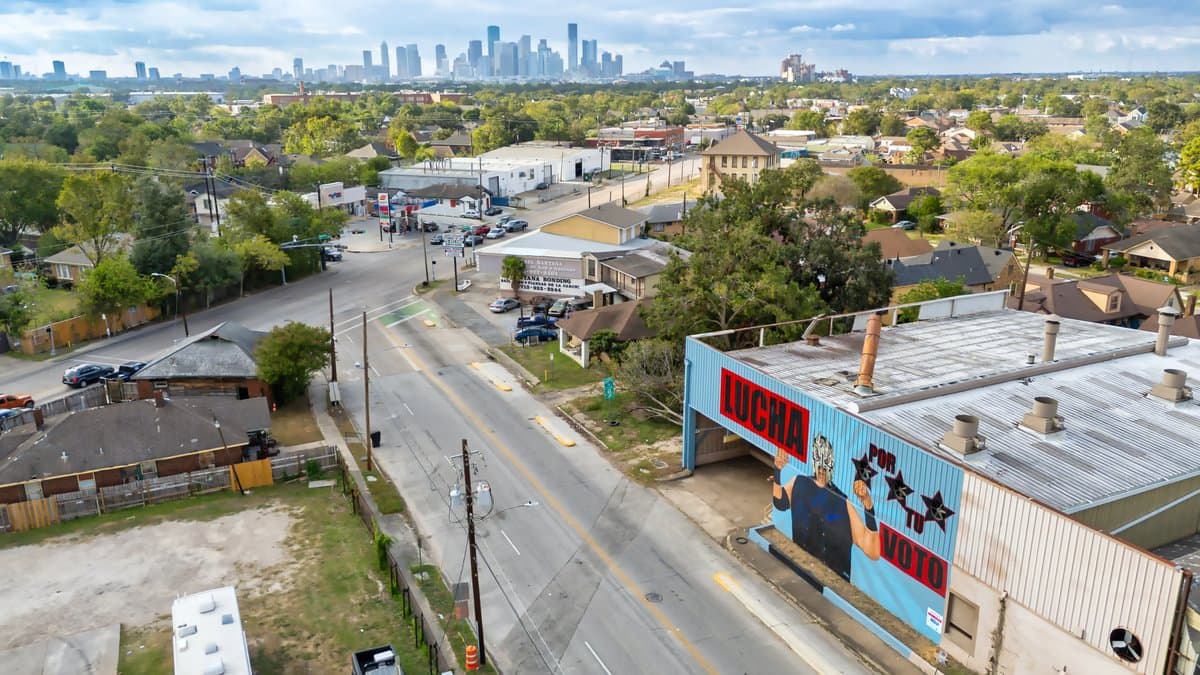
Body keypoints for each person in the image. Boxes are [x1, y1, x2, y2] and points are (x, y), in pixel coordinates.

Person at [772, 436, 880, 582]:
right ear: (813, 459)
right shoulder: (799, 482)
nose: (822, 466)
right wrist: (777, 472)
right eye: (818, 456)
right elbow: (779, 502)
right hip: (800, 573)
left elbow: (872, 551)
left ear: (832, 462)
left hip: (830, 585)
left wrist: (868, 504)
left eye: (826, 459)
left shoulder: (843, 502)